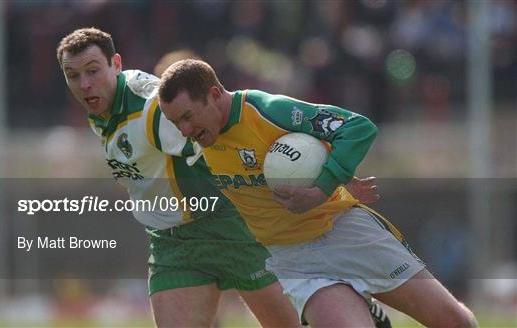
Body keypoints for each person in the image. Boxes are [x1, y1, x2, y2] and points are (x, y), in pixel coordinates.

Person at [56, 27, 387, 328]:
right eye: (72, 75)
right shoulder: (102, 108)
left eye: (93, 71)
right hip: (173, 244)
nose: (84, 84)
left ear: (115, 64)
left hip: (230, 228)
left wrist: (323, 174)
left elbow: (232, 137)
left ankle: (359, 306)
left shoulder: (151, 111)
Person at [158, 59, 478, 327]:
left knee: (455, 323)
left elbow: (357, 129)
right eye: (176, 122)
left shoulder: (270, 111)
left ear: (214, 95)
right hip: (294, 259)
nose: (184, 131)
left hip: (344, 230)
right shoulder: (195, 140)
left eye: (187, 117)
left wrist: (324, 186)